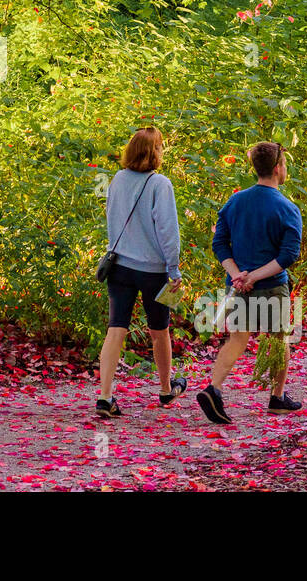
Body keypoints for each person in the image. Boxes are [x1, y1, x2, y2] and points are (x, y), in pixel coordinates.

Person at [197, 141, 303, 424]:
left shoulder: (235, 201)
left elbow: (219, 243)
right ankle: (277, 397)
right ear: (279, 169)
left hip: (238, 284)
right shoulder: (287, 208)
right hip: (271, 285)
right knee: (279, 340)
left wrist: (237, 274)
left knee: (238, 339)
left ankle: (214, 388)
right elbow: (288, 255)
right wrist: (255, 275)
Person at [97, 126, 187, 419]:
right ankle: (164, 388)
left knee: (115, 330)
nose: (162, 151)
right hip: (154, 271)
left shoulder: (118, 179)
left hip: (120, 266)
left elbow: (111, 217)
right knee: (159, 332)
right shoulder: (160, 184)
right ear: (153, 152)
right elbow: (168, 231)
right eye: (160, 147)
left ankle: (106, 397)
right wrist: (173, 270)